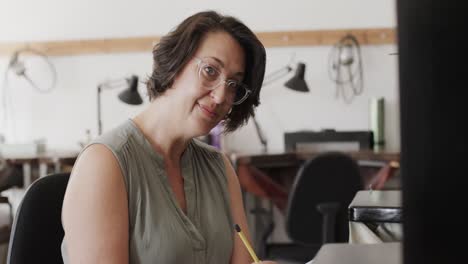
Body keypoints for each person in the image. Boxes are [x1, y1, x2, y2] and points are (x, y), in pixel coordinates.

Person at [61, 10, 278, 264]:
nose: (221, 96)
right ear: (176, 63)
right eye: (210, 70)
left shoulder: (220, 168)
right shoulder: (104, 164)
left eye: (233, 85)